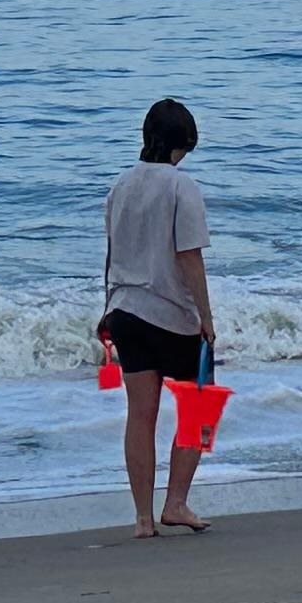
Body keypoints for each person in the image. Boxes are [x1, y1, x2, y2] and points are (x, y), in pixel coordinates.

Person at [97, 96, 217, 540]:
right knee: (198, 409)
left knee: (140, 415)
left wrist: (106, 311)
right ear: (181, 144)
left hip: (125, 311)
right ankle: (177, 502)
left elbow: (113, 256)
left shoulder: (120, 187)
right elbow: (189, 256)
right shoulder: (181, 187)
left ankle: (143, 519)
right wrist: (206, 317)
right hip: (170, 313)